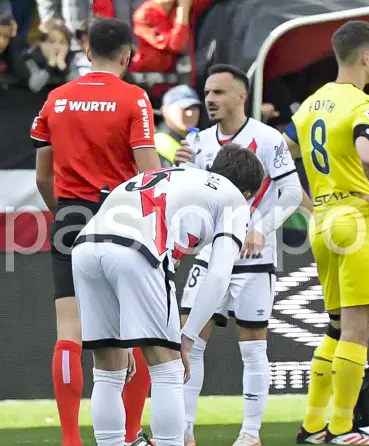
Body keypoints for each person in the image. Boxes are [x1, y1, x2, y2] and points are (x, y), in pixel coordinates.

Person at [71, 147, 263, 446]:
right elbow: (218, 275)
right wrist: (186, 339)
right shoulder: (234, 198)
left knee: (107, 373)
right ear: (249, 192)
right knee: (168, 370)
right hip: (137, 249)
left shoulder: (168, 175)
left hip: (85, 247)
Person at [29, 18, 162, 446]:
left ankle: (71, 439)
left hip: (70, 216)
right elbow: (150, 174)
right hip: (122, 217)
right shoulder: (134, 98)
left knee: (69, 330)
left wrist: (65, 211)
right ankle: (129, 434)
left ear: (86, 52)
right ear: (128, 55)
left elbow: (42, 176)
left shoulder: (57, 98)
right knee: (136, 325)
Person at [173, 64, 307, 446]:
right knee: (190, 339)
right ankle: (184, 430)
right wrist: (180, 168)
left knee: (252, 344)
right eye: (208, 92)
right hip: (209, 253)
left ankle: (250, 433)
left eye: (218, 92)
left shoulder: (268, 139)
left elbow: (292, 193)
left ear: (241, 96)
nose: (210, 100)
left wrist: (260, 227)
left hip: (253, 259)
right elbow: (188, 196)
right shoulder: (197, 142)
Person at [282, 20, 369, 445]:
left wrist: (306, 201)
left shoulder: (311, 104)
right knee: (356, 330)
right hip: (355, 217)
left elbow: (281, 152)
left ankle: (312, 425)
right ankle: (344, 428)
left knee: (333, 326)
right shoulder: (363, 104)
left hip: (322, 221)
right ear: (366, 55)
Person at [155, 84, 201, 167]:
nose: (190, 113)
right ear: (165, 110)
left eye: (194, 108)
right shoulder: (156, 144)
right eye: (184, 108)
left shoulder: (201, 139)